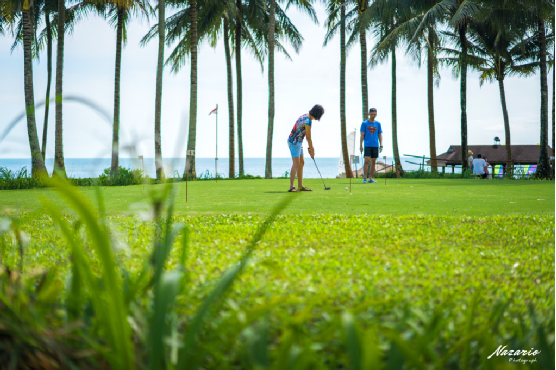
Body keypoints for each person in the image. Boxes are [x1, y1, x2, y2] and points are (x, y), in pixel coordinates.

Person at [287, 105, 325, 192]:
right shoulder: (307, 121)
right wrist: (312, 149)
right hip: (294, 142)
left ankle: (300, 186)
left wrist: (309, 148)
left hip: (298, 142)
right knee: (296, 163)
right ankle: (291, 187)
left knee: (301, 163)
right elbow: (308, 137)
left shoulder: (305, 116)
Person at [359, 108, 383, 183]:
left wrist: (381, 145)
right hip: (367, 145)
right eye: (371, 114)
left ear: (376, 114)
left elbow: (380, 135)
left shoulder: (378, 124)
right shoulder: (364, 123)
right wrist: (361, 145)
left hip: (375, 145)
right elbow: (362, 135)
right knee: (366, 160)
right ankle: (365, 178)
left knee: (373, 162)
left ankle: (370, 179)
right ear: (369, 114)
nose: (373, 115)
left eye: (374, 114)